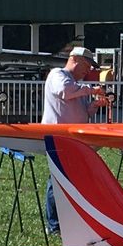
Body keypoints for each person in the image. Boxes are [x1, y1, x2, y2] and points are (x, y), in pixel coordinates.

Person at [41, 45, 109, 231]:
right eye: (87, 65)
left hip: (73, 139)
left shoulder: (77, 84)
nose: (89, 70)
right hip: (58, 137)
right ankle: (54, 225)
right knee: (58, 180)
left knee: (71, 179)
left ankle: (67, 221)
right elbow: (65, 91)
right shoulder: (58, 75)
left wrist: (94, 106)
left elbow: (83, 111)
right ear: (75, 60)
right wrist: (91, 90)